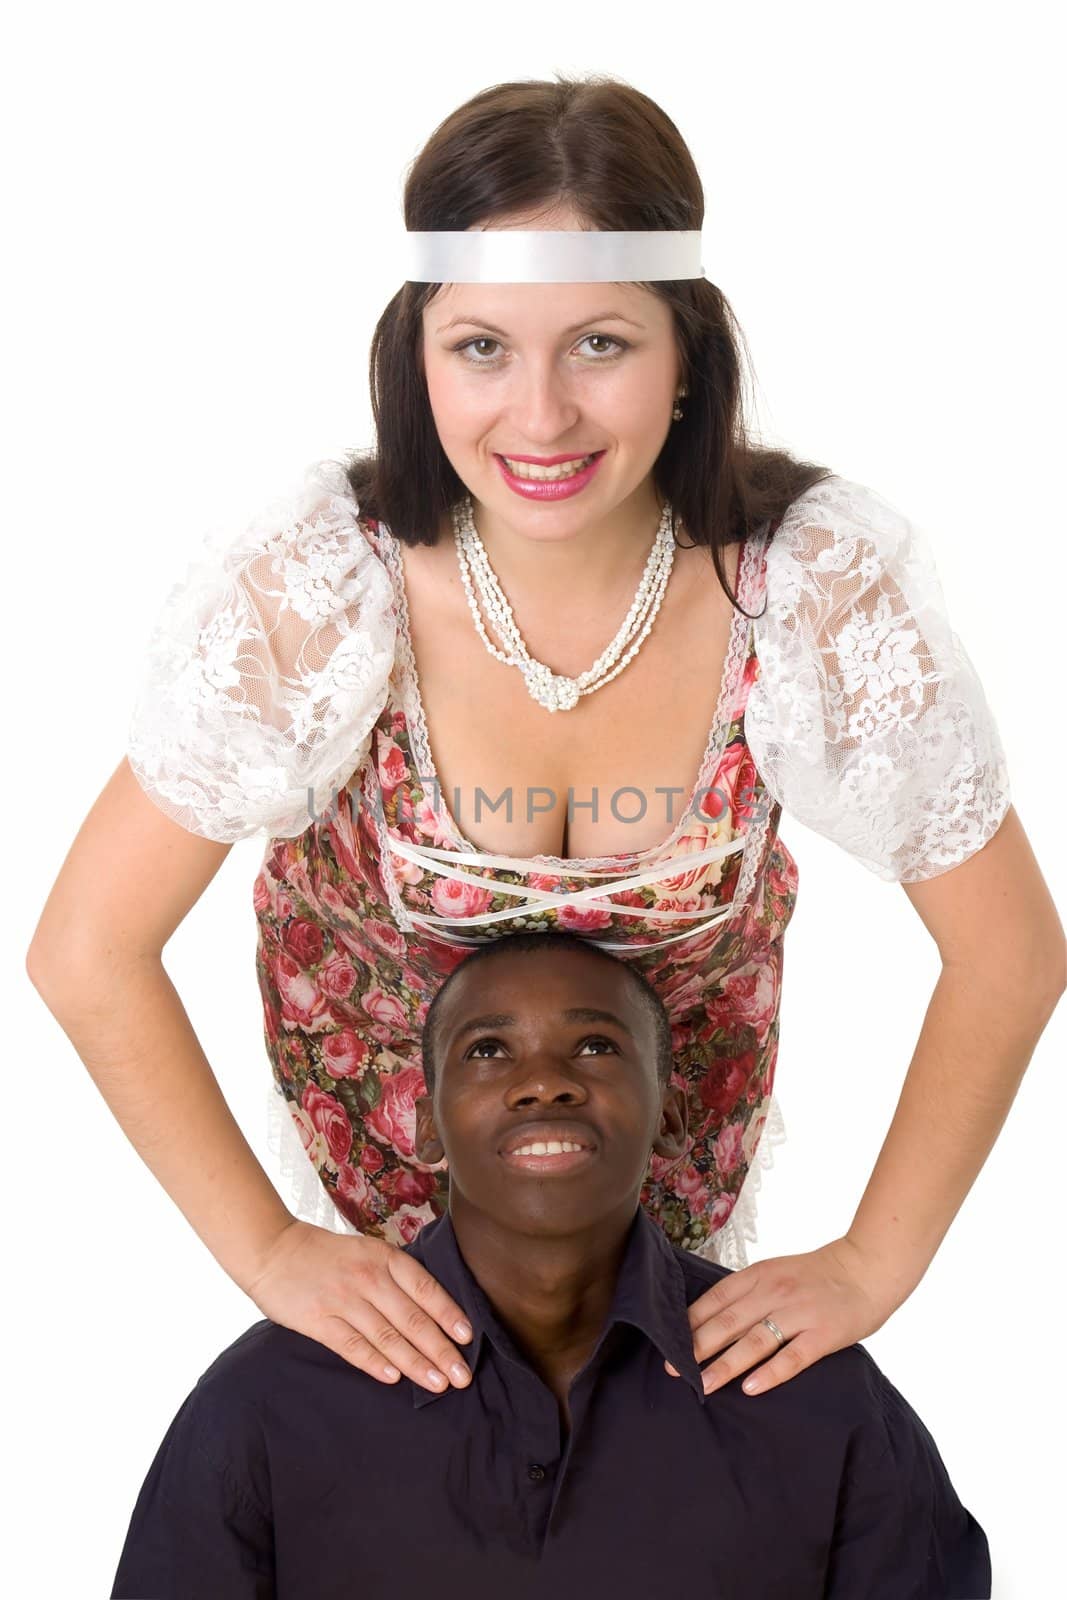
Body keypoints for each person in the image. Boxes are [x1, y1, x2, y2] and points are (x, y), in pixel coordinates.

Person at [28, 75, 1064, 1426]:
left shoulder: (804, 591)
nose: (538, 417)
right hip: (392, 1271)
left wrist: (872, 1266)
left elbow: (1007, 954)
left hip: (654, 1240)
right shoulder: (323, 593)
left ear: (685, 345)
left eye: (596, 345)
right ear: (414, 352)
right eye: (479, 348)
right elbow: (85, 951)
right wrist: (271, 1252)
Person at [111, 931, 992, 1599]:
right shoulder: (270, 1401)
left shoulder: (814, 1393)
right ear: (426, 1125)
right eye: (488, 1050)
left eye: (597, 1047)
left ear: (670, 1113)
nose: (544, 1082)